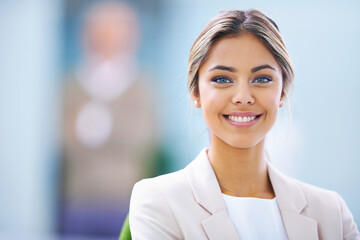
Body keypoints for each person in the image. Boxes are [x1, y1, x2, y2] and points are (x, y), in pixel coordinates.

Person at [129, 9, 360, 240]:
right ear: (196, 92)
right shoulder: (157, 201)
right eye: (222, 79)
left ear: (282, 93)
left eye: (262, 79)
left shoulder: (331, 213)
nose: (243, 97)